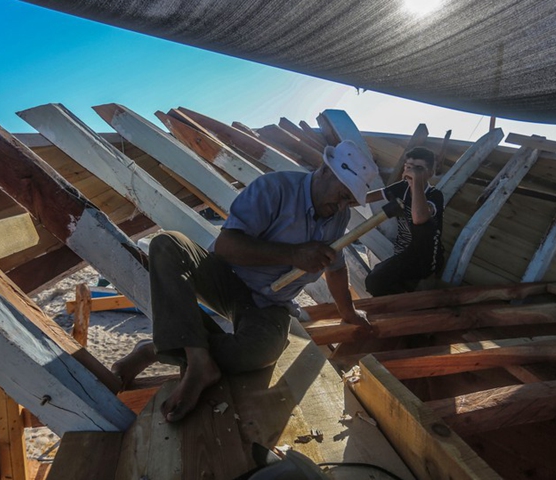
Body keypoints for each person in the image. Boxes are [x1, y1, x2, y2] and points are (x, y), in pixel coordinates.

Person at [112, 140, 378, 422]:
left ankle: (157, 348)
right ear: (326, 170)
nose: (341, 206)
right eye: (341, 195)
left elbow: (335, 268)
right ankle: (199, 360)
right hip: (227, 279)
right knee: (166, 244)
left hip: (270, 302)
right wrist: (292, 254)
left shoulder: (339, 216)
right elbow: (227, 246)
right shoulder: (274, 189)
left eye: (348, 200)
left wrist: (348, 312)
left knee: (259, 353)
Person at [364, 147, 444, 296]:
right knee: (373, 281)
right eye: (408, 167)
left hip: (425, 257)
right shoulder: (402, 188)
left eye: (419, 168)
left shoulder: (435, 195)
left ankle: (420, 286)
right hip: (404, 253)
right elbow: (368, 197)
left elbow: (419, 218)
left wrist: (417, 183)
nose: (412, 172)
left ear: (430, 173)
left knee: (425, 226)